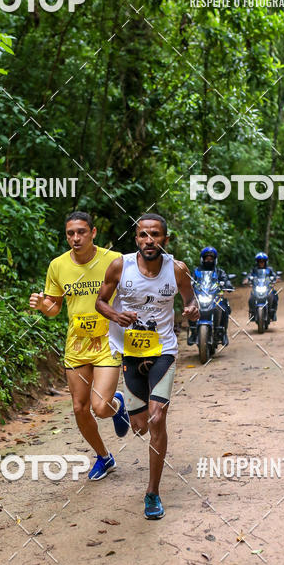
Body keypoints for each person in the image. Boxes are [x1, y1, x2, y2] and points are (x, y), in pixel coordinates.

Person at [96, 214, 199, 520]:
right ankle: (119, 407)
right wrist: (116, 317)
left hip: (163, 351)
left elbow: (190, 299)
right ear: (136, 239)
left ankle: (152, 493)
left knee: (157, 418)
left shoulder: (177, 269)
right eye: (143, 235)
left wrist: (192, 308)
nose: (149, 240)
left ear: (165, 240)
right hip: (129, 352)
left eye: (155, 235)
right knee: (139, 427)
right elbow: (100, 302)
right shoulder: (120, 266)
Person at [29, 211, 130, 481]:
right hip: (76, 345)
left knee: (100, 407)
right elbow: (54, 306)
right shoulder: (58, 266)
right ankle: (104, 457)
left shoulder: (114, 260)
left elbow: (134, 292)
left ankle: (117, 404)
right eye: (71, 233)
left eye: (81, 232)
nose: (76, 238)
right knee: (79, 408)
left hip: (108, 341)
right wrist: (42, 306)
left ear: (93, 233)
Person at [189, 246, 233, 346]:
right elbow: (190, 280)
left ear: (215, 260)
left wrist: (228, 285)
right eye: (206, 258)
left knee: (224, 308)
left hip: (214, 297)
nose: (208, 260)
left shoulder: (219, 272)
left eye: (211, 258)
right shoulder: (196, 271)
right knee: (190, 308)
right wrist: (188, 284)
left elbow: (226, 280)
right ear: (202, 259)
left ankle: (223, 333)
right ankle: (193, 332)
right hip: (199, 297)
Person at [247, 251, 278, 321]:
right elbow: (249, 275)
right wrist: (247, 279)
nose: (261, 263)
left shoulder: (269, 269)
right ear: (257, 262)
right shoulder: (254, 269)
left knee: (274, 296)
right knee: (251, 299)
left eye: (263, 261)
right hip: (257, 287)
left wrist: (275, 279)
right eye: (260, 261)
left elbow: (274, 275)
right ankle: (252, 312)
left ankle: (272, 312)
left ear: (266, 262)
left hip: (267, 287)